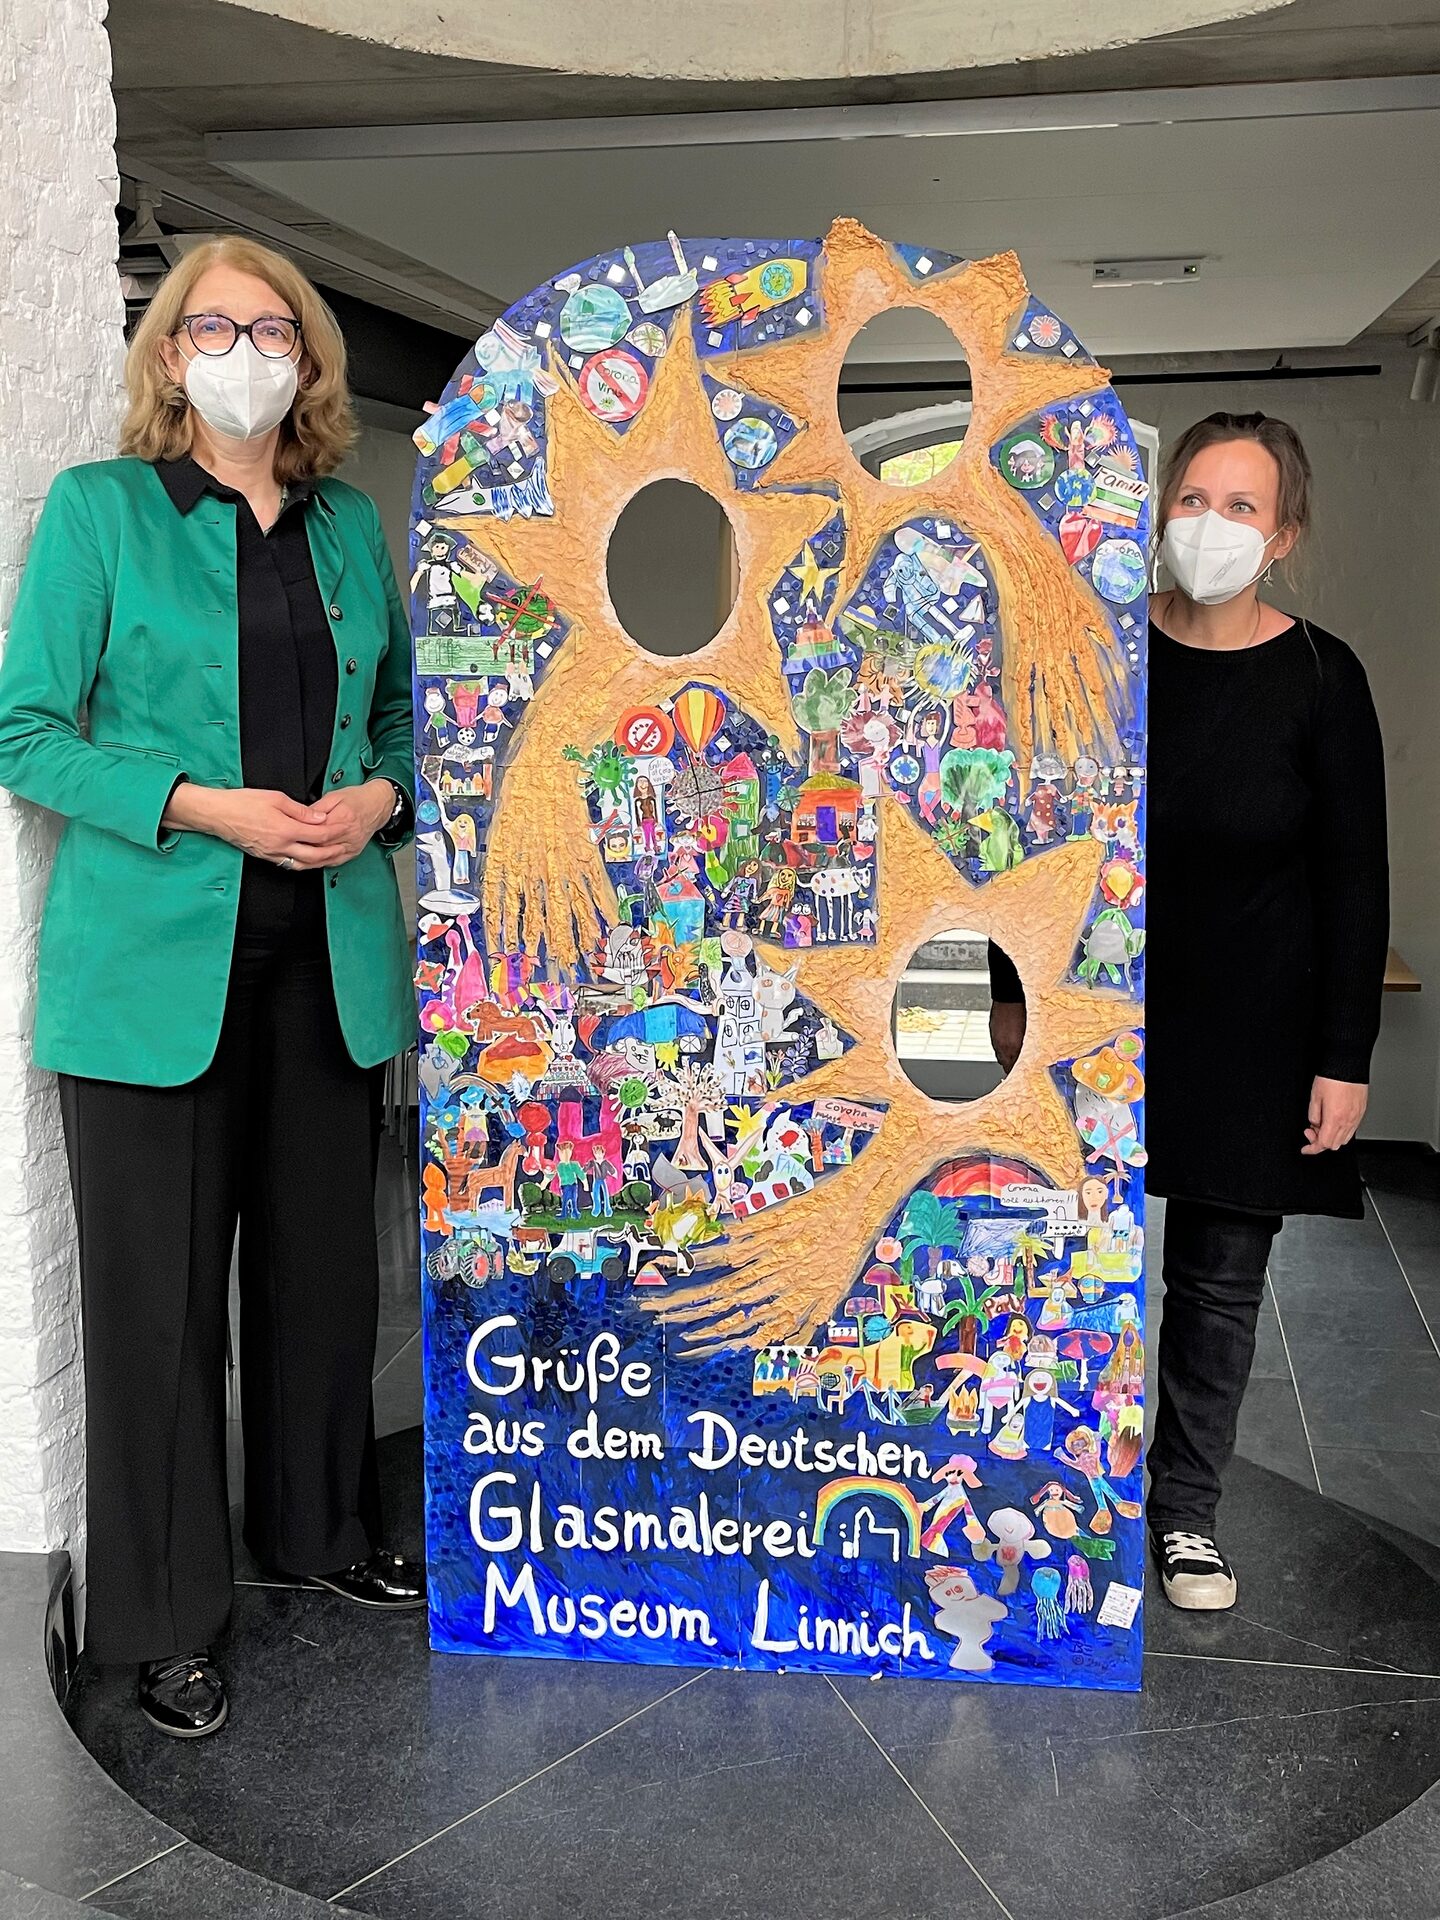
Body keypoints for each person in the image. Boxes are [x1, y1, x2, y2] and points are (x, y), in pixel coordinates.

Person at [0, 237, 424, 1738]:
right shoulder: (104, 512)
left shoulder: (347, 525)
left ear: (309, 361)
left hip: (328, 960)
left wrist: (379, 800)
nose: (246, 352)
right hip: (150, 978)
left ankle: (318, 1529)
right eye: (213, 327)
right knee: (160, 1306)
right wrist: (201, 805)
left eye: (274, 330)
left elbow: (402, 718)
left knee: (323, 1276)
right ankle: (164, 1620)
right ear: (170, 355)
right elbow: (27, 733)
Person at [989, 412, 1388, 1612]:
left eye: (1242, 507)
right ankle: (1043, 1490)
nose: (1211, 525)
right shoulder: (1103, 657)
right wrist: (1003, 1006)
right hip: (1089, 1016)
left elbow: (1354, 878)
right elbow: (1022, 839)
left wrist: (1343, 1056)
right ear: (1160, 508)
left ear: (1285, 535)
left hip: (1256, 1026)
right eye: (1194, 499)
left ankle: (1187, 1516)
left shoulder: (1322, 678)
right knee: (1053, 1258)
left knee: (1217, 1285)